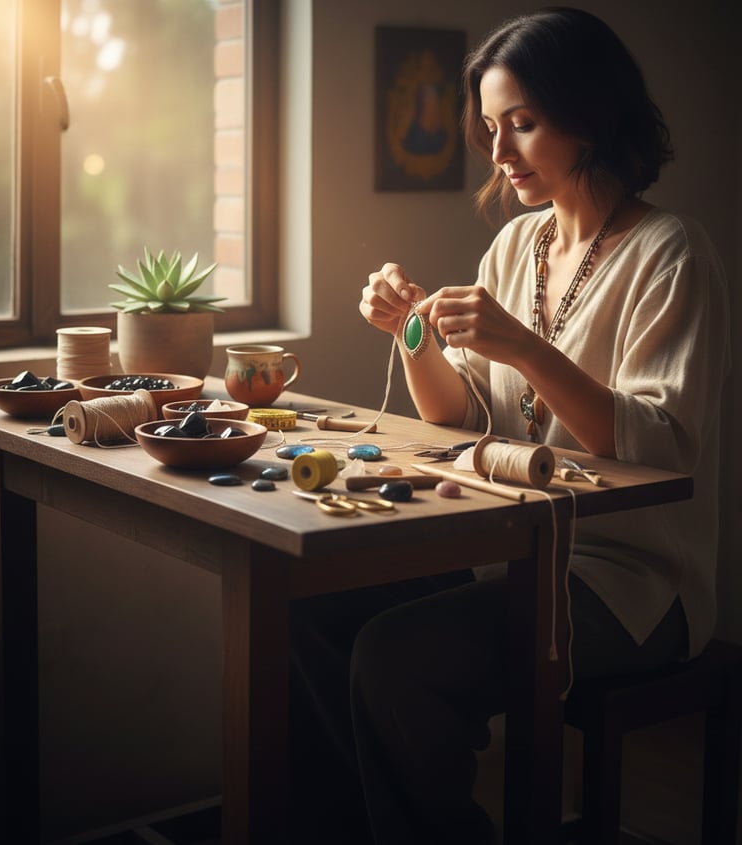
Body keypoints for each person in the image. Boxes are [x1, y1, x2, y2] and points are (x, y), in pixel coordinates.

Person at [289, 7, 730, 843]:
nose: (497, 153)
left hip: (632, 584)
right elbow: (457, 414)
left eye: (522, 125)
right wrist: (410, 329)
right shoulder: (515, 245)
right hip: (518, 552)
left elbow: (665, 449)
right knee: (310, 611)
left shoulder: (672, 252)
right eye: (491, 128)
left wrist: (523, 345)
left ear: (589, 113)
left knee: (394, 657)